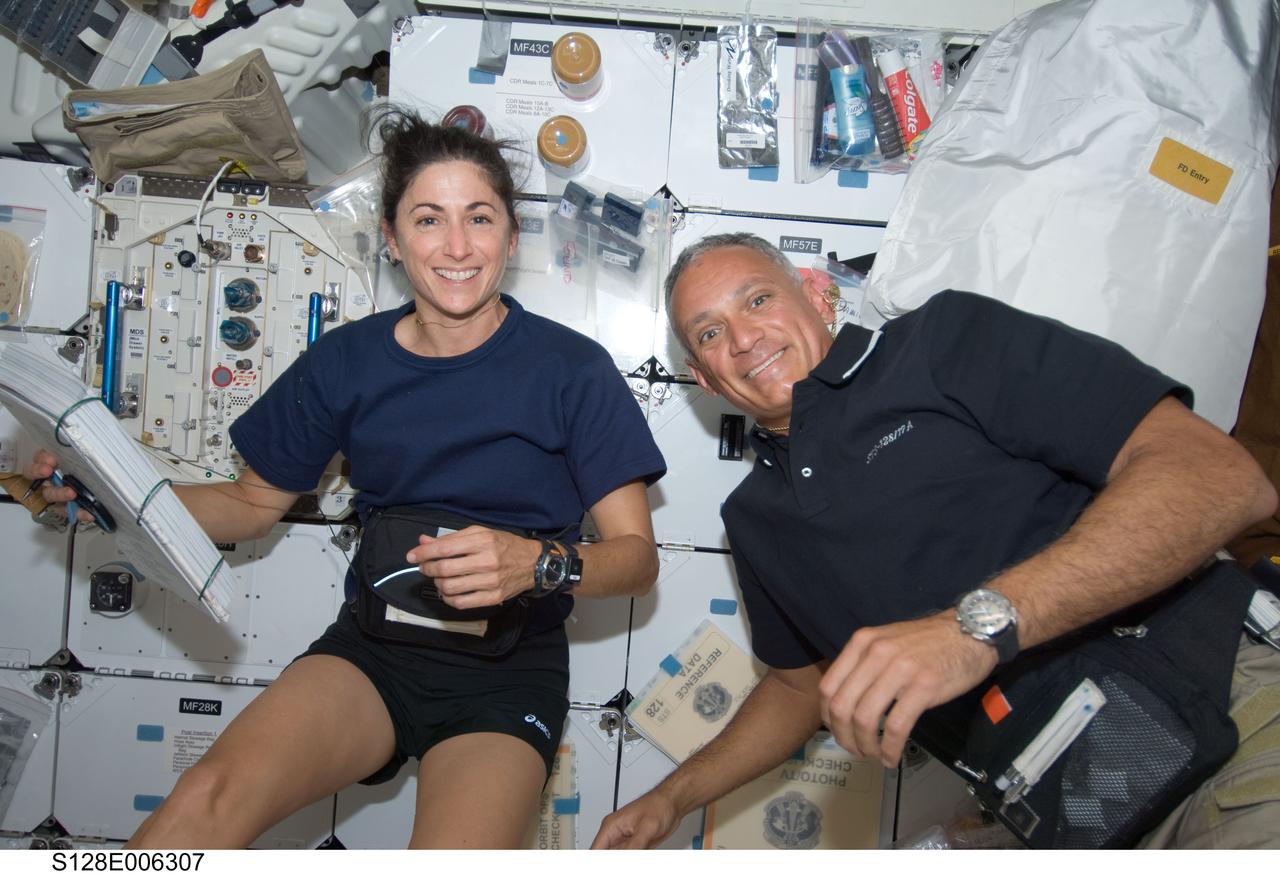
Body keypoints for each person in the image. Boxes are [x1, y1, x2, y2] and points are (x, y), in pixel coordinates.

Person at [32, 109, 666, 848]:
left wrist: (539, 561)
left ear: (511, 238)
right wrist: (109, 490)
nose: (457, 246)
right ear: (393, 240)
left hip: (507, 670)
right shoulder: (347, 362)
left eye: (480, 218)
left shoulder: (574, 371)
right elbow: (248, 504)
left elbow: (638, 560)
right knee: (202, 803)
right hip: (373, 652)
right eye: (429, 220)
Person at [592, 232, 1280, 849]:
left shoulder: (942, 341)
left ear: (813, 296)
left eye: (758, 300)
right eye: (709, 335)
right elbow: (799, 692)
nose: (742, 340)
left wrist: (974, 628)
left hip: (1225, 708)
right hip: (1086, 807)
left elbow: (1219, 478)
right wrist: (671, 798)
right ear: (706, 380)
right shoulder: (753, 520)